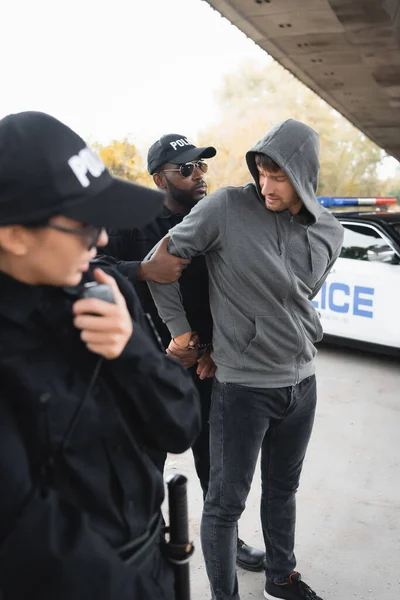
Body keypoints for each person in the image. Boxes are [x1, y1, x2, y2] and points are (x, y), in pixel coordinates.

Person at [0, 111, 202, 600]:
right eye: (85, 225)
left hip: (155, 561)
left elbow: (179, 427)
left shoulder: (104, 293)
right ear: (14, 235)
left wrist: (131, 351)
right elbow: (26, 535)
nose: (104, 240)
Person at [147, 119, 344, 600]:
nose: (267, 186)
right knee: (223, 505)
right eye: (262, 172)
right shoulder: (228, 207)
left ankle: (280, 578)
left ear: (304, 175)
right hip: (241, 387)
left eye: (279, 176)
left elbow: (299, 300)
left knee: (283, 491)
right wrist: (183, 334)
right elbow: (161, 263)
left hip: (302, 383)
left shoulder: (330, 232)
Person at [97, 133, 266, 572]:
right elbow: (89, 268)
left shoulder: (213, 217)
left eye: (202, 166)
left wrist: (212, 349)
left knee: (216, 463)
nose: (198, 176)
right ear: (159, 179)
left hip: (208, 365)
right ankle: (146, 542)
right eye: (186, 169)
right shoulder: (129, 222)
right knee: (147, 461)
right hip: (150, 365)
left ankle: (225, 538)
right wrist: (143, 269)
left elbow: (236, 290)